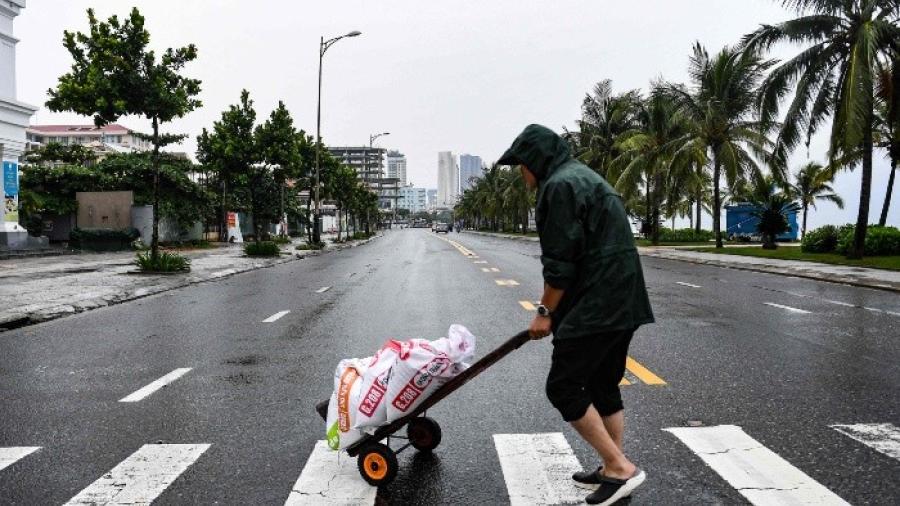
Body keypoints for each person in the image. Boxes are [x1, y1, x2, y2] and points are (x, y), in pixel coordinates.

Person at [497, 124, 654, 506]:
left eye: (522, 165)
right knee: (602, 385)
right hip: (623, 300)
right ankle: (611, 467)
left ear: (536, 161)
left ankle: (620, 467)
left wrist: (545, 313)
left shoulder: (559, 187)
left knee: (563, 387)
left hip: (597, 305)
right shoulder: (582, 176)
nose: (521, 173)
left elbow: (561, 263)